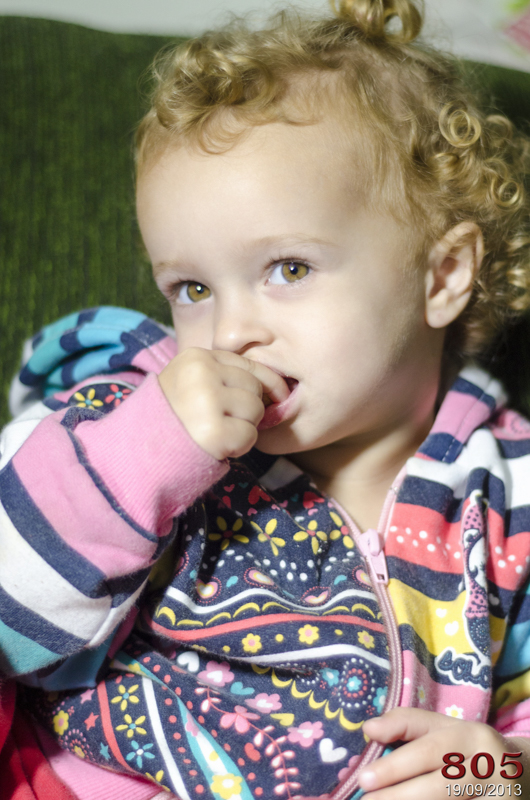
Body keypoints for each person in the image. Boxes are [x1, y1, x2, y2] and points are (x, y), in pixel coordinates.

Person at [2, 0, 530, 797]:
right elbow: (10, 619)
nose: (230, 331)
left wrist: (494, 770)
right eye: (192, 288)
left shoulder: (510, 493)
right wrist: (143, 453)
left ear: (443, 275)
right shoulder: (124, 418)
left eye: (288, 269)